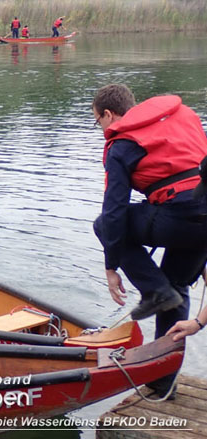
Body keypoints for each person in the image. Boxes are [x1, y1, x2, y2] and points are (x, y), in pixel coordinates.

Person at [92, 83, 207, 397]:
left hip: (179, 216)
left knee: (103, 224)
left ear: (108, 114)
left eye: (97, 121)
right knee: (177, 286)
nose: (100, 128)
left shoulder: (121, 143)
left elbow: (114, 210)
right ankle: (162, 381)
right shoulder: (183, 114)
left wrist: (112, 266)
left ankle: (155, 291)